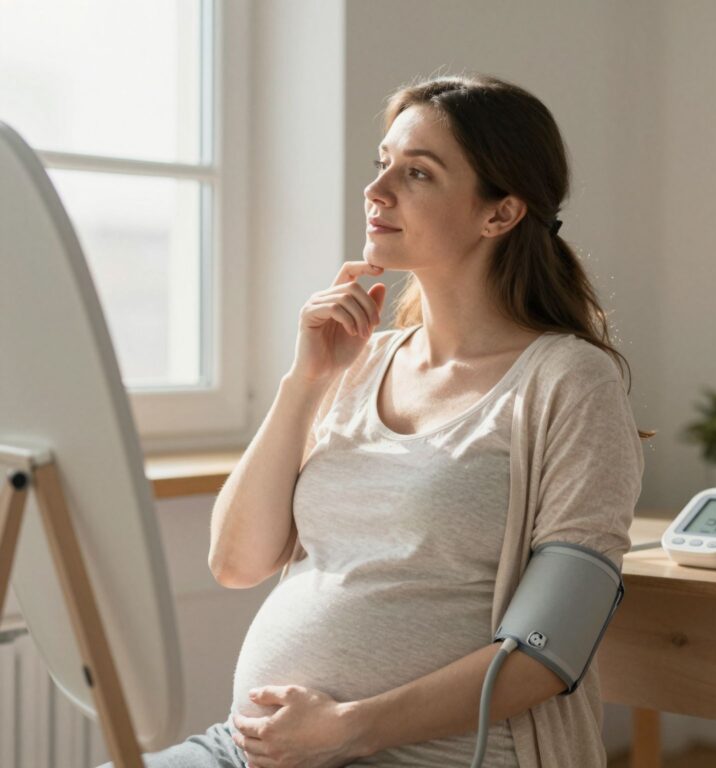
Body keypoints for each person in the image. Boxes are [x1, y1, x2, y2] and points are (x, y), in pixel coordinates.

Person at [100, 72, 653, 768]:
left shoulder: (570, 382)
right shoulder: (360, 361)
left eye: (417, 172)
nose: (377, 189)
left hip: (429, 755)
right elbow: (235, 562)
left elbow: (548, 652)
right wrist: (305, 380)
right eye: (381, 163)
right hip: (254, 752)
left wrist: (351, 727)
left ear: (501, 213)